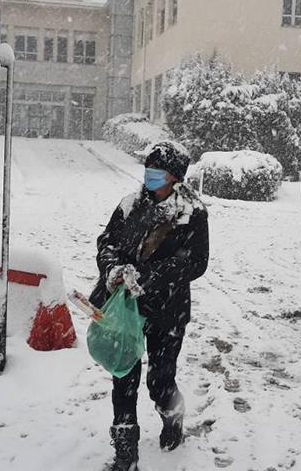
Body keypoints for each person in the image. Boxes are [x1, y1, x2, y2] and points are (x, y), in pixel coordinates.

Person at [90, 141, 209, 471]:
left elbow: (196, 262)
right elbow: (107, 243)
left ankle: (172, 414)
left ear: (174, 177)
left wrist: (151, 275)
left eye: (157, 170)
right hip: (126, 308)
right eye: (148, 168)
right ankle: (125, 452)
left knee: (160, 380)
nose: (149, 175)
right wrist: (113, 269)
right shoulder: (130, 205)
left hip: (167, 310)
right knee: (123, 375)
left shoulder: (191, 214)